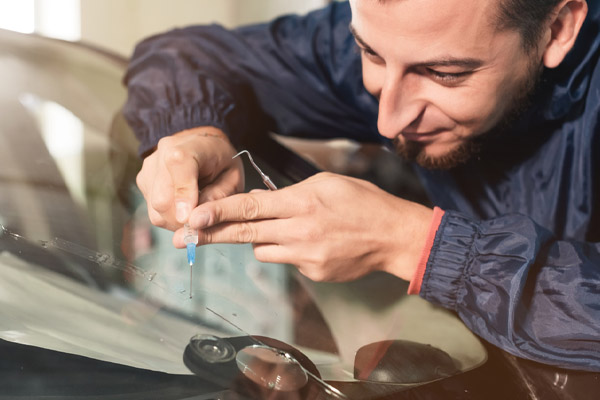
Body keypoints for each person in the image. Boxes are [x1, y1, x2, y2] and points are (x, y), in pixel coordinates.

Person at [123, 0, 600, 371]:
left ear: (557, 29)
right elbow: (181, 57)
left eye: (445, 73)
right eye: (369, 52)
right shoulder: (403, 32)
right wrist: (194, 129)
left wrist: (418, 246)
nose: (388, 121)